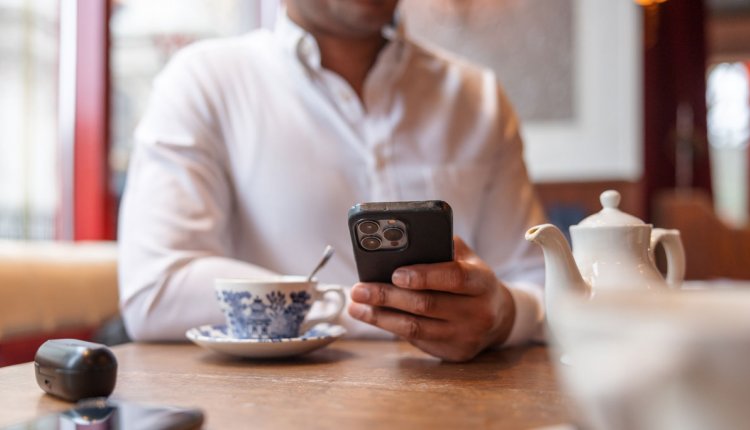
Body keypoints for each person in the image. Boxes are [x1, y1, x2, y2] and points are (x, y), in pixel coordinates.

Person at [118, 0, 546, 362]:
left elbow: (541, 281)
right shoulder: (203, 82)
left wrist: (504, 314)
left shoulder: (478, 97)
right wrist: (369, 311)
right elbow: (157, 290)